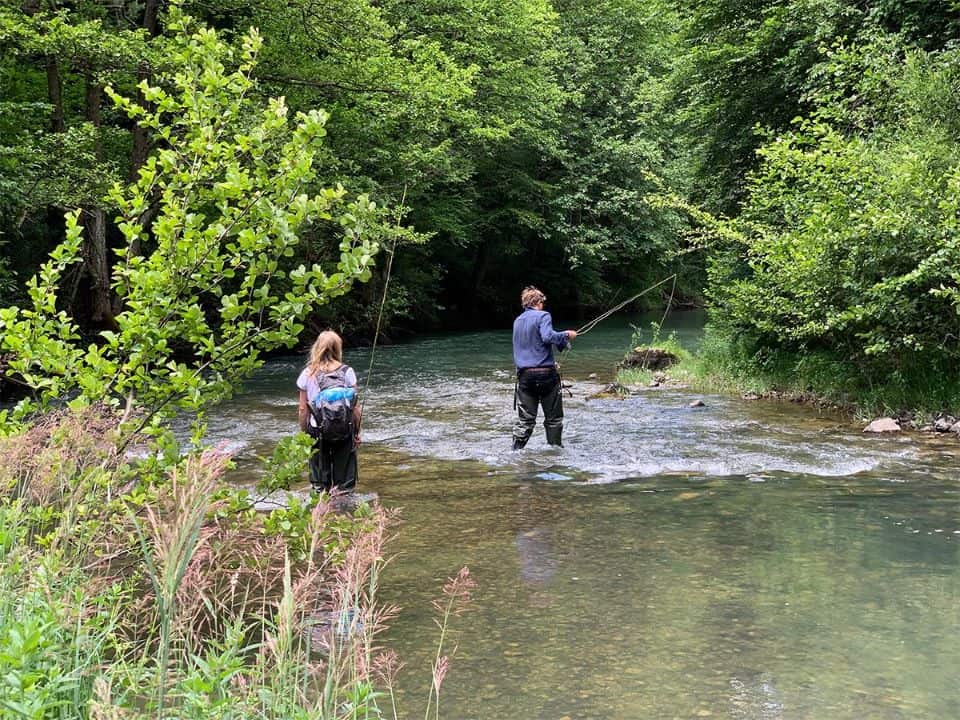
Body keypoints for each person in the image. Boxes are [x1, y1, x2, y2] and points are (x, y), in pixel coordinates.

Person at [511, 286, 577, 449]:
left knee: (526, 420)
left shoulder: (517, 321)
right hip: (546, 375)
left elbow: (531, 344)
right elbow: (547, 337)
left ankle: (515, 451)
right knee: (553, 419)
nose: (543, 306)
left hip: (525, 377)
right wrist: (566, 335)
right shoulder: (543, 315)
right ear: (537, 302)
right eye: (542, 302)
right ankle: (554, 454)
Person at [297, 330, 362, 492]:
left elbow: (302, 408)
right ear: (337, 348)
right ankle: (344, 513)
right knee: (345, 485)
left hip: (317, 430)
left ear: (317, 347)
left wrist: (305, 434)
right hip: (345, 430)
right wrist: (356, 433)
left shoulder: (307, 373)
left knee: (319, 484)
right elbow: (355, 408)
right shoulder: (348, 372)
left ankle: (321, 513)